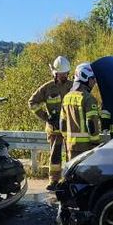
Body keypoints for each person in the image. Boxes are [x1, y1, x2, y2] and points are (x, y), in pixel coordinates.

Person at [28, 55, 72, 187]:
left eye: (66, 73)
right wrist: (46, 117)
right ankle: (54, 180)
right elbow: (32, 103)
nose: (65, 76)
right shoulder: (47, 88)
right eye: (62, 74)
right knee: (55, 156)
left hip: (70, 128)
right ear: (56, 73)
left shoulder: (72, 86)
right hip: (54, 129)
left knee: (71, 154)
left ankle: (70, 179)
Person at [59, 62, 102, 163]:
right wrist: (95, 143)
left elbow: (62, 125)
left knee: (71, 175)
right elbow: (91, 123)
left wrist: (68, 140)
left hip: (70, 147)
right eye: (92, 79)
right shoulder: (88, 98)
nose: (94, 82)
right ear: (85, 78)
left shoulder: (66, 97)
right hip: (86, 148)